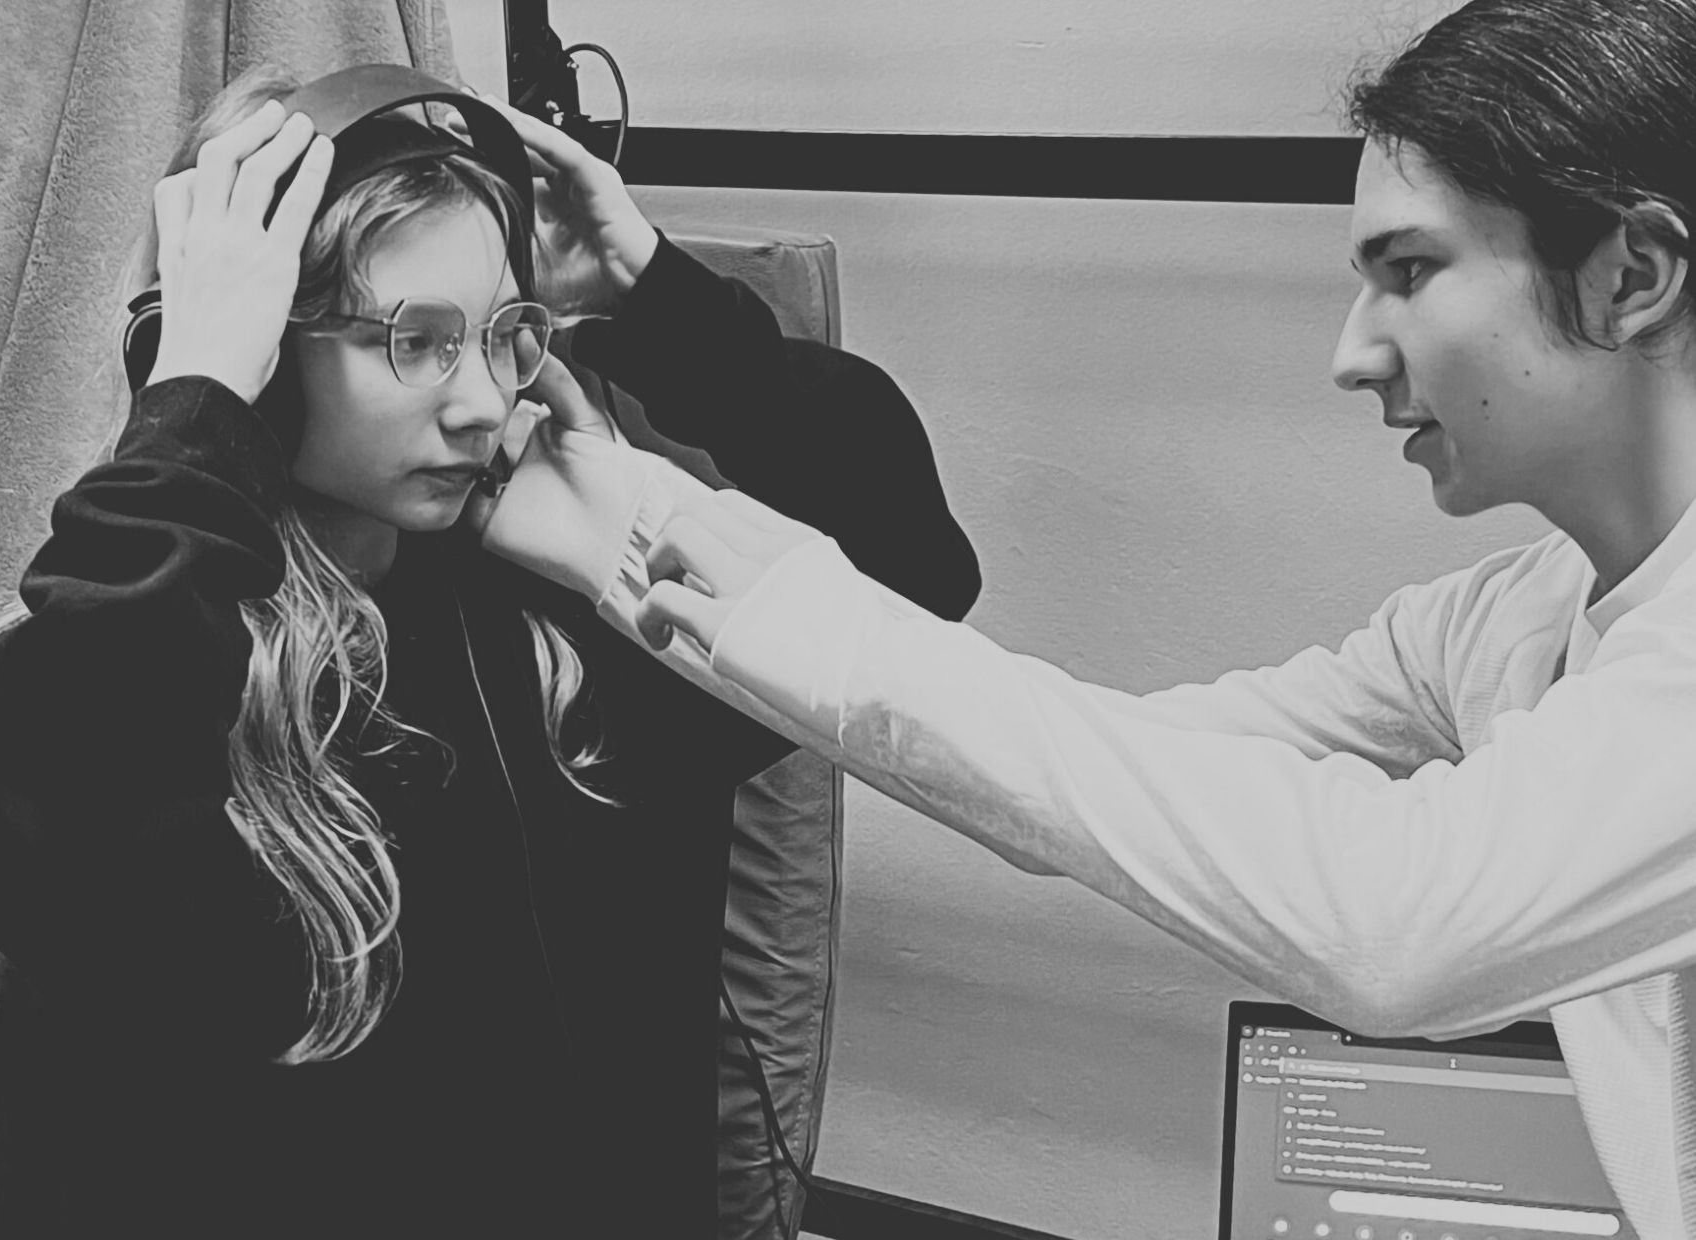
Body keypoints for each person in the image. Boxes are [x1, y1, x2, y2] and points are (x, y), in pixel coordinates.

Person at [539, 0, 1696, 1232]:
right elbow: (1104, 775)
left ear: (1629, 275)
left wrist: (801, 615)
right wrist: (633, 520)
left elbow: (1392, 927)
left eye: (1407, 272)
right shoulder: (1506, 618)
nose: (1352, 354)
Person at [0, 66, 979, 1237]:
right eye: (417, 340)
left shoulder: (555, 648)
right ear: (260, 359)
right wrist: (196, 401)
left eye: (503, 335)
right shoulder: (106, 676)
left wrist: (655, 300)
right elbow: (65, 805)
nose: (484, 402)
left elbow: (907, 561)